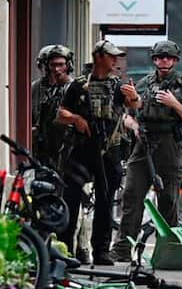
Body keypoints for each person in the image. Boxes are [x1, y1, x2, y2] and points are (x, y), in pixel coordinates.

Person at [111, 39, 182, 262]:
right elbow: (128, 115)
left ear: (175, 60)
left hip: (171, 145)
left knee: (168, 198)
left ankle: (169, 250)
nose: (164, 61)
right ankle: (123, 248)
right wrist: (134, 125)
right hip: (144, 144)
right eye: (160, 57)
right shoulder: (144, 83)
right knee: (131, 194)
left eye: (169, 57)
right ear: (154, 60)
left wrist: (174, 104)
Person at [56, 39, 141, 265]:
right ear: (99, 57)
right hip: (81, 151)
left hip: (109, 152)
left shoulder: (117, 86)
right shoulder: (78, 85)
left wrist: (133, 96)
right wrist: (77, 119)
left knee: (106, 201)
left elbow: (135, 105)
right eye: (111, 56)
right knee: (71, 200)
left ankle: (101, 251)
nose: (115, 60)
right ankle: (66, 250)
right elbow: (61, 113)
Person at [30, 44, 76, 171]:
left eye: (60, 65)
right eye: (52, 65)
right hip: (43, 149)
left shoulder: (74, 88)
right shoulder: (36, 89)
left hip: (67, 148)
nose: (56, 70)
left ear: (68, 66)